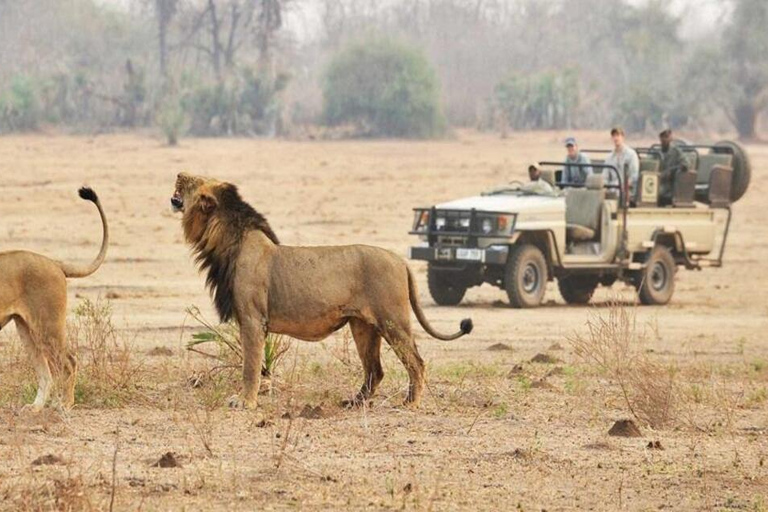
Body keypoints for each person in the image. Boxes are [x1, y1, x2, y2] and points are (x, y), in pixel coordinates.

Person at [603, 127, 639, 201]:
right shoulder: (609, 157)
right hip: (612, 189)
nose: (616, 138)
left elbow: (634, 176)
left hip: (627, 190)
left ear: (623, 137)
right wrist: (604, 188)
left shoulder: (631, 154)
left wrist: (624, 186)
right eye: (613, 136)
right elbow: (605, 176)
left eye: (618, 135)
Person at [657, 129, 688, 205]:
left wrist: (672, 171)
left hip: (670, 184)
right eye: (663, 137)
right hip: (657, 180)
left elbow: (685, 164)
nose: (665, 139)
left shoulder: (676, 152)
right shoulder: (657, 152)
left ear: (671, 138)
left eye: (667, 137)